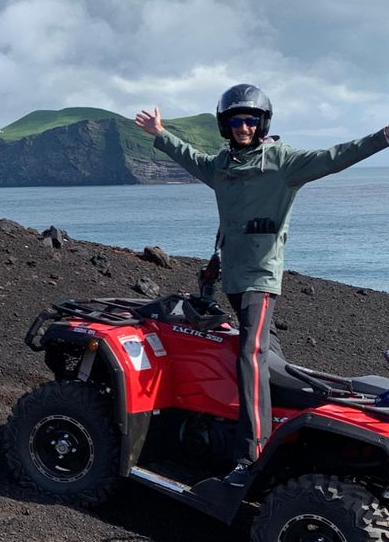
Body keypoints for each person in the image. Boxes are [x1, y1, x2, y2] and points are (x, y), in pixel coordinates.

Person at [135, 84, 389, 485]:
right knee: (260, 350)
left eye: (251, 120)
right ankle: (283, 403)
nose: (243, 127)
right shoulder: (221, 166)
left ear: (262, 123)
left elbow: (335, 157)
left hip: (261, 277)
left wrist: (383, 137)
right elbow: (191, 158)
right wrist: (160, 134)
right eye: (236, 120)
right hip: (233, 276)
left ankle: (251, 449)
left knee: (250, 353)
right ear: (226, 125)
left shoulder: (284, 164)